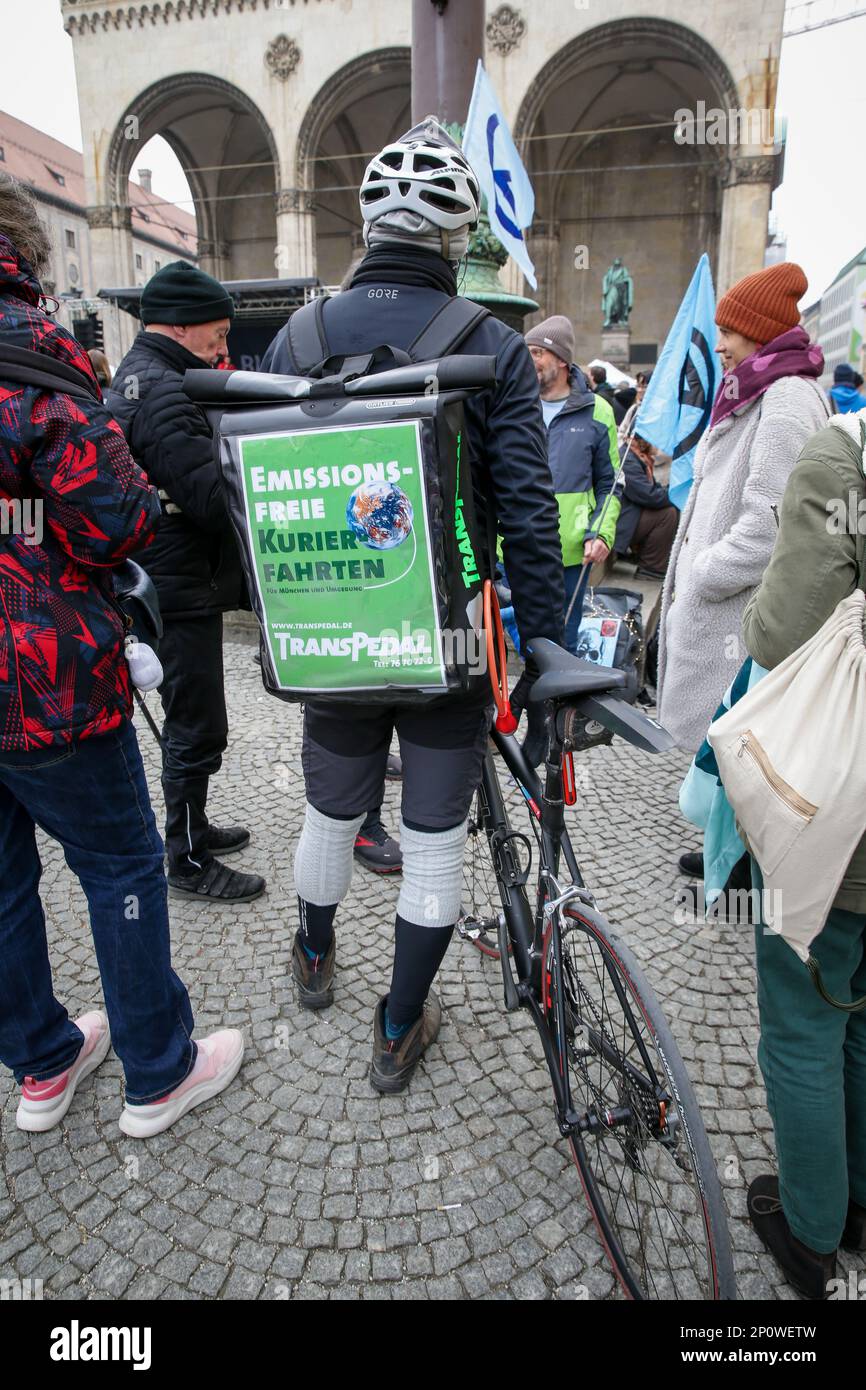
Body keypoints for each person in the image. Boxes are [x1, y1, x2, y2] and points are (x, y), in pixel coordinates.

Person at [261, 120, 564, 1092]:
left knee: (326, 812)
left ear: (366, 223)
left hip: (330, 631)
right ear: (455, 236)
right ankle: (397, 1027)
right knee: (431, 843)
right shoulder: (492, 343)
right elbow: (524, 507)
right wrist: (547, 648)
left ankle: (313, 955)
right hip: (442, 643)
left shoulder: (296, 335)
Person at [0, 177, 243, 1138]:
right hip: (42, 674)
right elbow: (113, 521)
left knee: (4, 884)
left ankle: (44, 1065)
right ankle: (158, 1069)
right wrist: (34, 527)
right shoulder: (30, 347)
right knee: (122, 866)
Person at [740, 403, 866, 1299]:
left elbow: (783, 633)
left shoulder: (843, 462)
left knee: (805, 1017)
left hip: (846, 812)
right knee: (859, 1013)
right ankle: (857, 1202)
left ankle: (814, 1232)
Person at [107, 263, 266, 904]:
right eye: (217, 333)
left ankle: (195, 827)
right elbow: (206, 497)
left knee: (190, 717)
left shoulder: (137, 377)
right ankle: (188, 858)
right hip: (177, 585)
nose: (224, 347)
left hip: (159, 580)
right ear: (181, 325)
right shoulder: (167, 392)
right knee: (196, 724)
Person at [658, 261, 828, 762]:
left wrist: (703, 574)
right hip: (727, 620)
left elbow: (774, 525)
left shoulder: (785, 399)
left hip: (738, 626)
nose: (720, 345)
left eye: (728, 332)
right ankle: (719, 844)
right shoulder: (763, 389)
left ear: (758, 334)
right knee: (723, 771)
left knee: (740, 768)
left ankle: (730, 845)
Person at [524, 317, 620, 654]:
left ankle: (553, 706)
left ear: (562, 360)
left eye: (537, 352)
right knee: (512, 643)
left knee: (562, 643)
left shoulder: (599, 412)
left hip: (570, 555)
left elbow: (612, 483)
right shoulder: (513, 406)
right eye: (526, 352)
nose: (529, 359)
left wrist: (602, 532)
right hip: (512, 550)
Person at [613, 432, 678, 578]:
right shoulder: (627, 458)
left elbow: (651, 491)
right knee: (668, 514)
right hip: (621, 523)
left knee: (670, 509)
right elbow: (649, 496)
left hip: (629, 515)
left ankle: (652, 559)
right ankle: (651, 568)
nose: (657, 445)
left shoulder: (636, 456)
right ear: (643, 439)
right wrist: (674, 493)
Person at [618, 369, 651, 447]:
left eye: (644, 387)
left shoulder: (659, 412)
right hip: (628, 455)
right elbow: (622, 431)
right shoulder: (634, 408)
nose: (640, 390)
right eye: (638, 386)